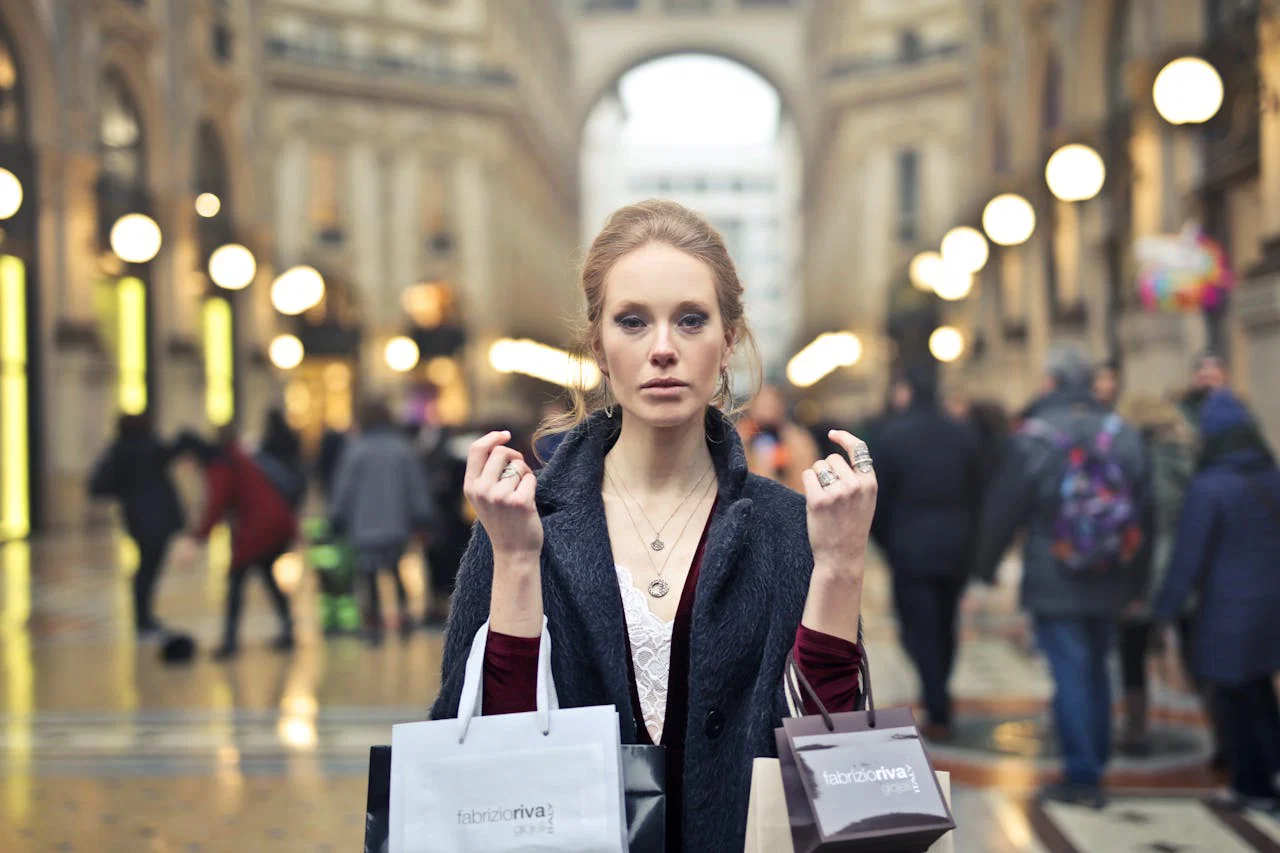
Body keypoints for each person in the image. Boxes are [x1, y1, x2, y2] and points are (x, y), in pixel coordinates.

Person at [429, 200, 874, 853]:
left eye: (690, 320)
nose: (663, 348)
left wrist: (840, 568)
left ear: (728, 341)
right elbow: (478, 756)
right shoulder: (523, 519)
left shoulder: (788, 529)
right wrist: (519, 563)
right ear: (599, 346)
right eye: (633, 321)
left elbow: (844, 770)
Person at [975, 345, 1151, 808]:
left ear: (1050, 381)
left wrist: (983, 571)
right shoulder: (1123, 432)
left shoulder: (1033, 435)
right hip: (1111, 573)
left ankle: (1082, 773)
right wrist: (1138, 582)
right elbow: (1145, 513)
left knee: (1070, 671)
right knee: (1098, 667)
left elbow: (1005, 508)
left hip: (1053, 573)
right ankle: (1096, 757)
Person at [1153, 390, 1280, 813]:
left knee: (1231, 698)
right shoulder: (1271, 475)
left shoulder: (1209, 486)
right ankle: (1272, 770)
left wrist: (1165, 609)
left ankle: (1252, 785)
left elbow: (1188, 557)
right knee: (1260, 689)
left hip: (1228, 610)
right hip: (1271, 604)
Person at [873, 365, 983, 740]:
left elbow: (880, 501)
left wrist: (888, 543)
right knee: (945, 624)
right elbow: (977, 495)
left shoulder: (893, 436)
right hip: (956, 547)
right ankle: (937, 693)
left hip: (910, 549)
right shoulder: (963, 434)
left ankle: (937, 703)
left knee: (916, 628)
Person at [1113, 395, 1198, 757]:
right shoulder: (1189, 460)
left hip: (1138, 572)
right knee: (1194, 650)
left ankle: (1136, 729)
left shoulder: (1127, 465)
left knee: (1132, 652)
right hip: (1184, 571)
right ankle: (1224, 732)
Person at [180, 425, 298, 660]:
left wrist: (197, 537)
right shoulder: (234, 457)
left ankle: (231, 641)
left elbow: (217, 505)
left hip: (260, 527)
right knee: (266, 577)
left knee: (236, 581)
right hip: (274, 521)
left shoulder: (221, 465)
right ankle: (287, 631)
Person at [328, 399, 434, 643]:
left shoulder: (356, 449)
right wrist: (422, 515)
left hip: (363, 525)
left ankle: (373, 623)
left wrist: (337, 515)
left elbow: (344, 488)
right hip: (397, 524)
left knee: (367, 574)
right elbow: (415, 486)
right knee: (396, 570)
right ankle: (404, 617)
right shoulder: (402, 448)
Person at [88, 413, 185, 639]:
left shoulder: (118, 450)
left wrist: (125, 490)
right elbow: (173, 452)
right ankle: (143, 617)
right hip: (160, 516)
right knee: (149, 567)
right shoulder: (151, 447)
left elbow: (99, 486)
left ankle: (142, 616)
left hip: (136, 517)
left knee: (145, 566)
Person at [736, 383, 820, 492]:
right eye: (761, 405)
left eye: (770, 404)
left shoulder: (797, 439)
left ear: (780, 406)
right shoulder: (741, 438)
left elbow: (806, 479)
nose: (765, 410)